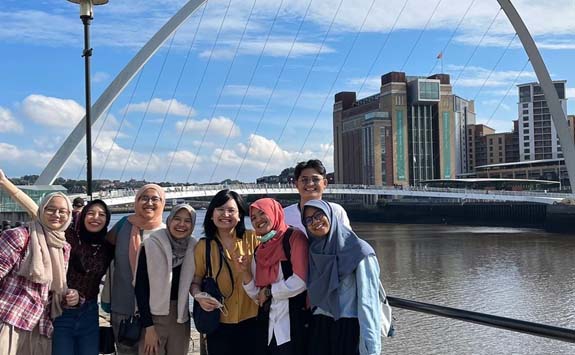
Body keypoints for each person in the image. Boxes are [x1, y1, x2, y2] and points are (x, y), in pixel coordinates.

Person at [302, 200, 382, 355]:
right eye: (308, 220)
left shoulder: (359, 251)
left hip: (348, 329)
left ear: (330, 215)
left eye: (319, 215)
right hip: (320, 329)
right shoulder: (315, 251)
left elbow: (369, 304)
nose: (315, 222)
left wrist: (372, 349)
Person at [190, 189, 263, 355]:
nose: (225, 214)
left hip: (253, 319)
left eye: (231, 210)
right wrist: (199, 296)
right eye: (220, 209)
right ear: (211, 214)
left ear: (239, 216)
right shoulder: (204, 246)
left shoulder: (253, 239)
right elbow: (196, 281)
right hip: (218, 322)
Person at [0, 191, 73, 355]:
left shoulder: (64, 247)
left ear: (69, 215)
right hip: (10, 320)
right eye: (50, 209)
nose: (56, 215)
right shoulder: (19, 236)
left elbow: (52, 292)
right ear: (41, 210)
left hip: (41, 327)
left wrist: (72, 297)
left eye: (63, 211)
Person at [240, 198, 309, 355]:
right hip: (267, 327)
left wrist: (270, 291)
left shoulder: (294, 238)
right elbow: (257, 296)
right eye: (253, 218)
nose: (258, 220)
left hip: (293, 324)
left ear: (274, 212)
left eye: (262, 213)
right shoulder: (259, 250)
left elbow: (301, 280)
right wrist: (244, 271)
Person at [105, 184, 167, 355]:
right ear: (136, 201)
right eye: (144, 198)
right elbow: (101, 253)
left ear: (163, 203)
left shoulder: (166, 233)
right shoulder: (124, 225)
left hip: (155, 313)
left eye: (155, 199)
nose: (149, 202)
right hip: (122, 308)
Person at [52, 199, 114, 355]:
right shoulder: (68, 236)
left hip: (90, 312)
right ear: (83, 215)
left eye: (102, 214)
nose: (96, 218)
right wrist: (5, 183)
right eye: (91, 213)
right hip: (61, 311)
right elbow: (38, 212)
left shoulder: (108, 246)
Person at [135, 204, 197, 355]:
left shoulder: (195, 247)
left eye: (187, 221)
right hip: (153, 317)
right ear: (169, 221)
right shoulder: (150, 244)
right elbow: (140, 288)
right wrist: (149, 327)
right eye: (177, 219)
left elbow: (198, 280)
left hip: (180, 318)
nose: (182, 224)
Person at [283, 159, 351, 233]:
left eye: (315, 179)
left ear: (325, 183)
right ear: (296, 185)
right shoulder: (284, 215)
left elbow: (347, 241)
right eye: (304, 180)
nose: (310, 184)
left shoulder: (336, 211)